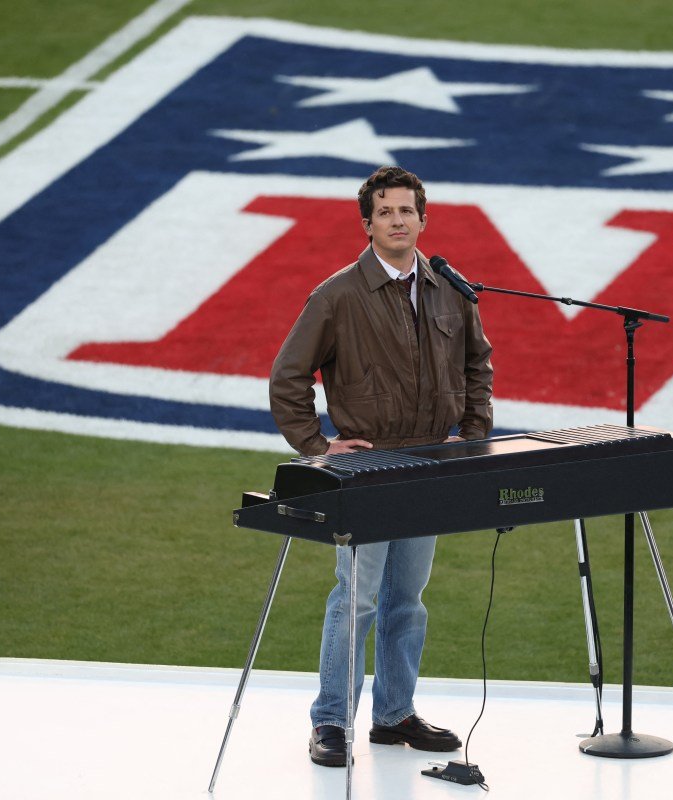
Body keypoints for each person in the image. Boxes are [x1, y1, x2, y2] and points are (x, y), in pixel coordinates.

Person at [269, 166, 493, 767]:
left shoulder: (450, 289)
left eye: (407, 211)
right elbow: (288, 376)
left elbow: (478, 364)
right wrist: (317, 446)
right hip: (367, 468)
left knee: (407, 600)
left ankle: (394, 715)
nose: (398, 221)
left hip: (429, 461)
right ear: (367, 224)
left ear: (423, 219)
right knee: (357, 599)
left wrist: (471, 438)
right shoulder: (337, 295)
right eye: (385, 212)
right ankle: (331, 721)